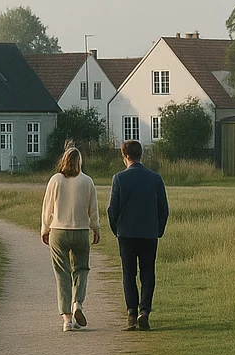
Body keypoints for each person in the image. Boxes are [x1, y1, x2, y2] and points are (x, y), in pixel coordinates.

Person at [107, 139, 170, 331]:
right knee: (148, 273)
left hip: (126, 233)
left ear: (125, 156)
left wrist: (116, 229)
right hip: (149, 232)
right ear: (140, 154)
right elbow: (163, 209)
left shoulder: (119, 178)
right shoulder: (155, 178)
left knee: (129, 273)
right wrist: (158, 230)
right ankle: (145, 310)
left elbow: (112, 209)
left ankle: (131, 314)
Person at [40, 142, 100, 332]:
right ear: (80, 162)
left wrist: (45, 229)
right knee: (81, 269)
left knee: (62, 273)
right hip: (81, 230)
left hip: (59, 230)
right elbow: (93, 208)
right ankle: (78, 304)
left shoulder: (55, 180)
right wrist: (95, 228)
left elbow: (47, 207)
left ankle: (66, 318)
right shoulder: (87, 181)